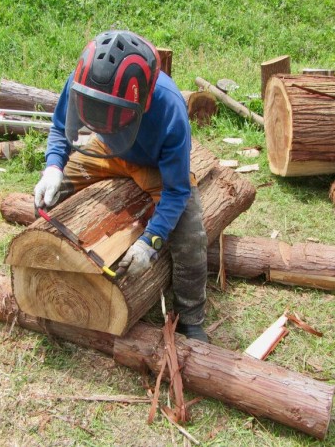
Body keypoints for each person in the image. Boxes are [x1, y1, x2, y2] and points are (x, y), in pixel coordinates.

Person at [34, 30, 208, 342]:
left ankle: (191, 319)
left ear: (141, 100)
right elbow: (61, 127)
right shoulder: (83, 82)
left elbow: (177, 190)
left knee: (191, 237)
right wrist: (53, 167)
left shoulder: (170, 109)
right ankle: (49, 276)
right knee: (50, 199)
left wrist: (150, 242)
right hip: (103, 149)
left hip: (153, 165)